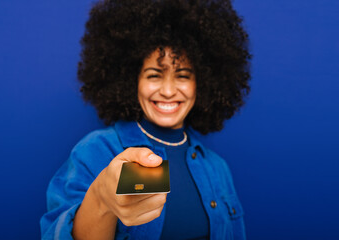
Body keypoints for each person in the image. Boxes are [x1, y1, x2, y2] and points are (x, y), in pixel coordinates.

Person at [40, 0, 251, 239]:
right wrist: (101, 197)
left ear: (201, 83)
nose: (169, 91)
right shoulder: (97, 151)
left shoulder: (217, 167)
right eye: (154, 75)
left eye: (183, 76)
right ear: (132, 80)